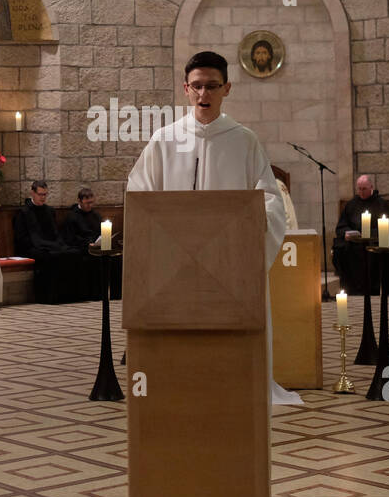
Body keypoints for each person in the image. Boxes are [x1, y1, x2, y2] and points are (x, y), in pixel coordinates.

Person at [127, 50, 302, 406]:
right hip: (176, 263)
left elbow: (270, 200)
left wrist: (248, 235)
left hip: (231, 262)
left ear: (227, 89)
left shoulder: (243, 140)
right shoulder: (165, 140)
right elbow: (139, 194)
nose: (203, 95)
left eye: (212, 86)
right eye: (196, 87)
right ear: (185, 89)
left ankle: (237, 384)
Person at [14, 181, 88, 303]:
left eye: (45, 194)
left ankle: (71, 295)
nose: (43, 197)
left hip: (50, 244)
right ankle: (51, 297)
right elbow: (21, 238)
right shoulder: (24, 213)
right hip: (31, 247)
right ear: (32, 193)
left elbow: (55, 233)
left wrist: (59, 245)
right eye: (40, 194)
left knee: (74, 253)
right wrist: (42, 245)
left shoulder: (49, 211)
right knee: (51, 257)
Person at [332, 174, 389, 295]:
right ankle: (350, 289)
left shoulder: (380, 204)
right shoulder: (351, 204)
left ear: (371, 187)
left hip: (372, 243)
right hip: (353, 244)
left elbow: (386, 226)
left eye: (364, 189)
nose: (361, 192)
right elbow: (341, 226)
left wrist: (367, 234)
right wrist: (346, 233)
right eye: (359, 189)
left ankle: (371, 290)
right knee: (341, 251)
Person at [60, 187, 121, 298]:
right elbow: (70, 238)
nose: (90, 206)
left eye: (91, 203)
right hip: (82, 248)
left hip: (97, 247)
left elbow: (100, 233)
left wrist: (103, 241)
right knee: (93, 260)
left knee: (117, 259)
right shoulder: (72, 217)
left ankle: (115, 294)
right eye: (87, 203)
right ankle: (95, 294)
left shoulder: (96, 215)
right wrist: (87, 244)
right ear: (79, 201)